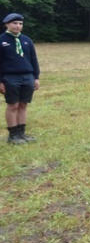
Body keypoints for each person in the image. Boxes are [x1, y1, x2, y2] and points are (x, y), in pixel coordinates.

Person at [0, 13, 40, 145]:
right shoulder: (2, 40)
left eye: (20, 24)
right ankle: (13, 135)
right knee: (13, 105)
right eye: (15, 23)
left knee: (23, 105)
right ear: (7, 24)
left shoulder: (27, 40)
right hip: (10, 77)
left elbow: (33, 60)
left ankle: (22, 133)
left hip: (27, 76)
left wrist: (36, 77)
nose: (18, 26)